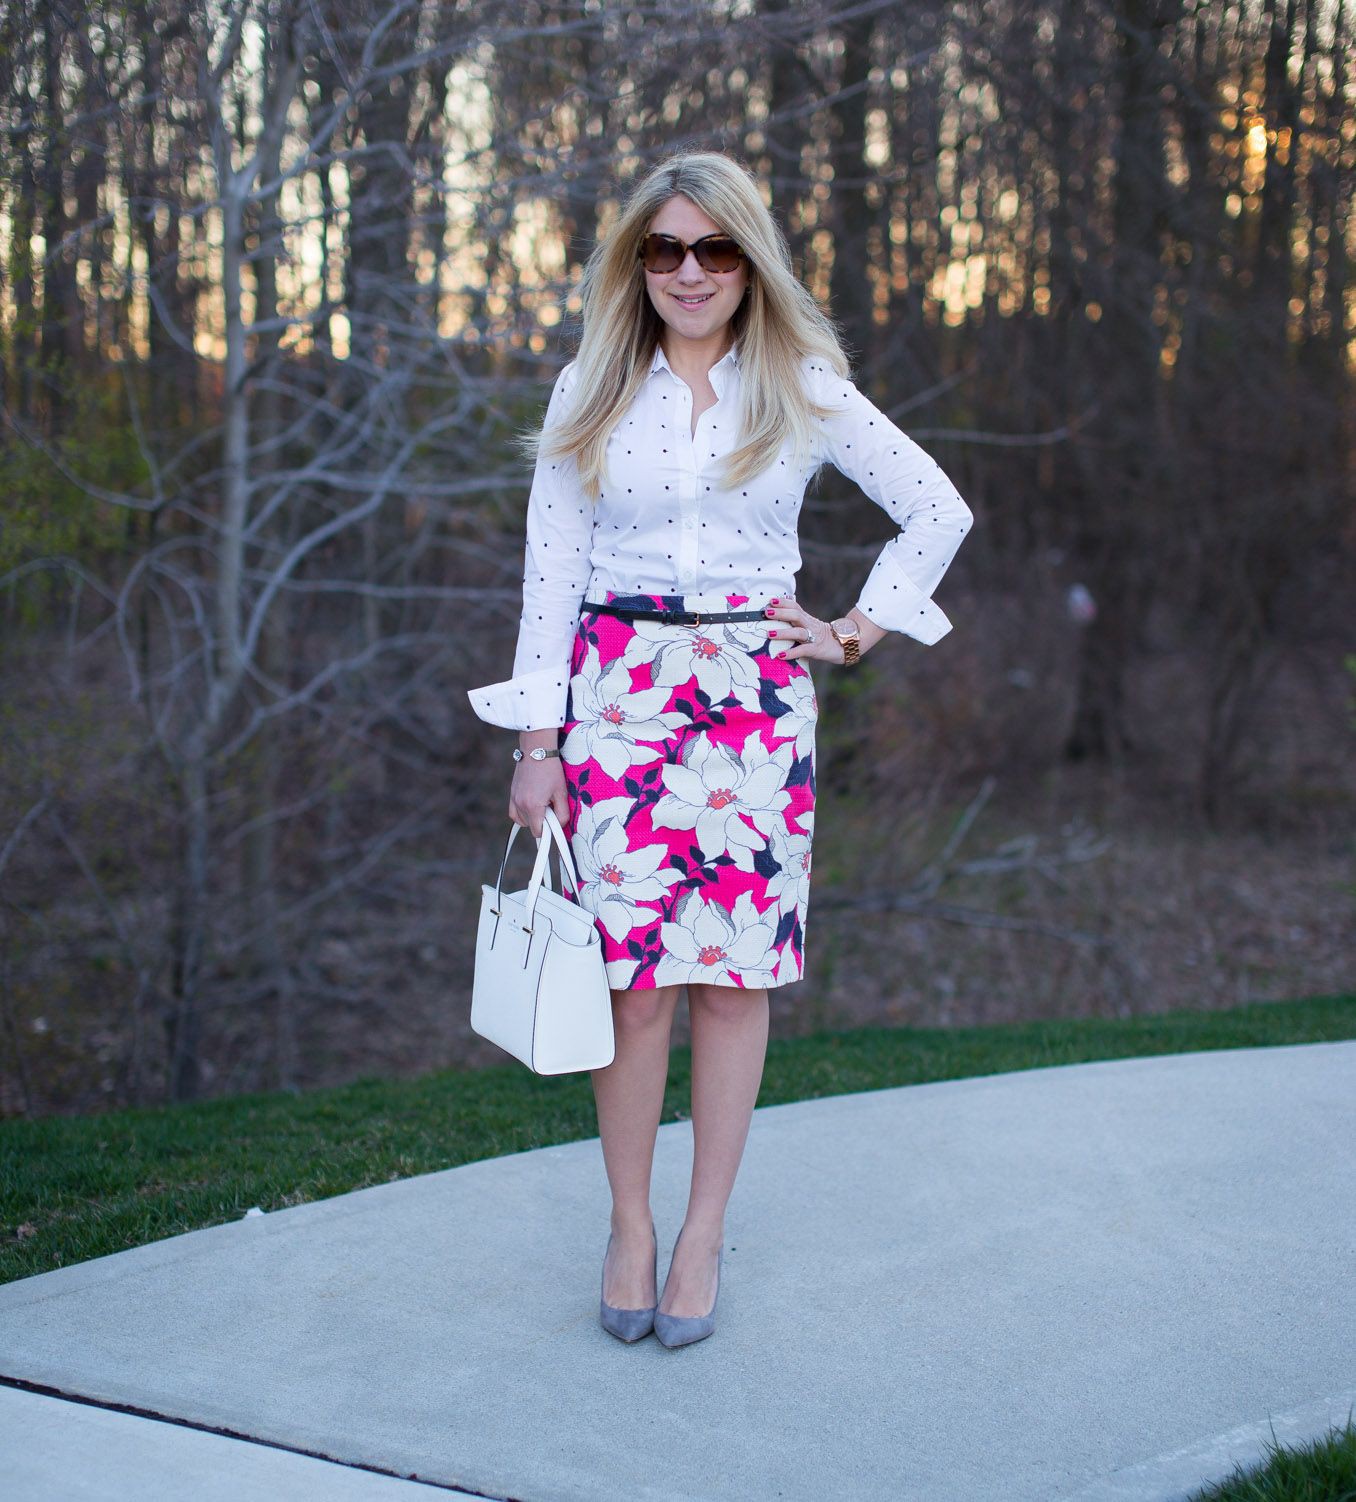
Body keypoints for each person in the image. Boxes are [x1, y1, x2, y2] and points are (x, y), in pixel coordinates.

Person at [467, 150, 973, 1347]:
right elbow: (554, 576)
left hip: (753, 699)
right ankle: (631, 1225)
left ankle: (703, 1233)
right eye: (664, 249)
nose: (688, 271)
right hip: (619, 699)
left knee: (733, 984)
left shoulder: (801, 385)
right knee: (637, 990)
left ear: (749, 262)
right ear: (635, 263)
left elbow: (937, 508)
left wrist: (851, 631)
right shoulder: (588, 387)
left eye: (714, 249)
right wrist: (537, 740)